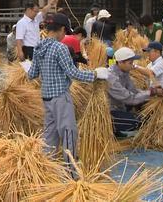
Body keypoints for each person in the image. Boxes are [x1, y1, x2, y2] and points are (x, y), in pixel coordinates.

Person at [25, 13, 108, 172]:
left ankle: (46, 172)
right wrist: (96, 74)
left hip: (47, 99)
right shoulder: (60, 48)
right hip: (60, 99)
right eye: (65, 32)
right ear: (62, 29)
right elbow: (73, 73)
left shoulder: (39, 47)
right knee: (69, 134)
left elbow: (31, 74)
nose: (65, 35)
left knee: (50, 137)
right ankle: (72, 174)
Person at [107, 47, 163, 135]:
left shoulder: (124, 72)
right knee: (139, 122)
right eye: (130, 63)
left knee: (151, 111)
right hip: (110, 112)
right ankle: (112, 128)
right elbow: (130, 98)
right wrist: (152, 92)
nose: (132, 65)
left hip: (122, 106)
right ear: (120, 62)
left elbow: (133, 91)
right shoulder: (111, 77)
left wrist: (152, 94)